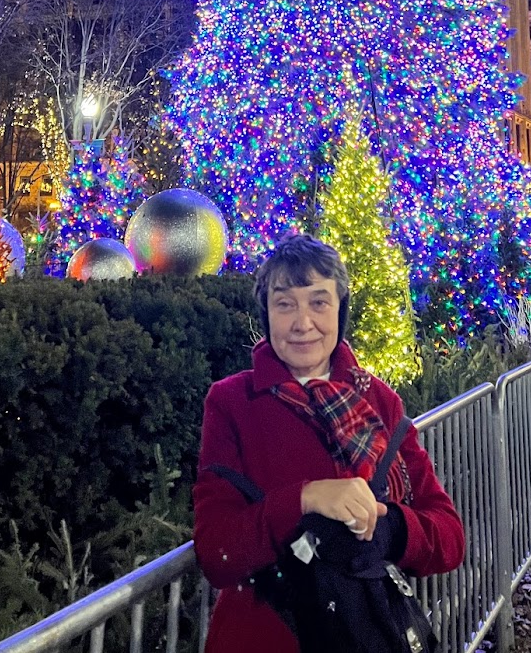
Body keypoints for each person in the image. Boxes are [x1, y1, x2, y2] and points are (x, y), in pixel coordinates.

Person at [193, 236, 465, 652]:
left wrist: (390, 528)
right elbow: (217, 552)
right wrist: (305, 499)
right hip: (266, 638)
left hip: (366, 633)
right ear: (267, 314)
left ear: (341, 309)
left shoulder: (379, 402)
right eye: (285, 304)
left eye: (319, 302)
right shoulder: (233, 403)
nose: (303, 323)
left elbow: (449, 538)